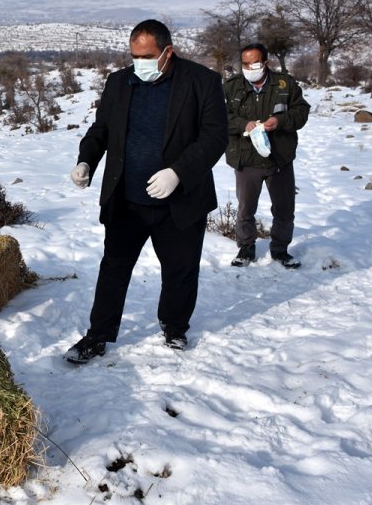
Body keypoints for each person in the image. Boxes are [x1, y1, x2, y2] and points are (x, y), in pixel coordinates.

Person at [66, 19, 228, 362]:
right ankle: (98, 335)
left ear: (168, 52)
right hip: (128, 201)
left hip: (179, 202)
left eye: (147, 56)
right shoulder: (119, 82)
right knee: (113, 270)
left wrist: (178, 173)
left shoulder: (201, 82)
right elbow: (101, 130)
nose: (139, 63)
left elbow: (214, 137)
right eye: (134, 55)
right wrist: (86, 161)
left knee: (180, 270)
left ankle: (174, 327)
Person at [223, 42, 310, 269]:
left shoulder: (285, 84)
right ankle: (246, 248)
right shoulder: (231, 88)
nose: (250, 67)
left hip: (279, 158)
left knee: (283, 208)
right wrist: (244, 124)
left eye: (255, 63)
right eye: (245, 63)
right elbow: (218, 117)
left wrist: (279, 121)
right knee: (245, 207)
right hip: (246, 157)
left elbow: (301, 112)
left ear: (265, 63)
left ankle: (280, 250)